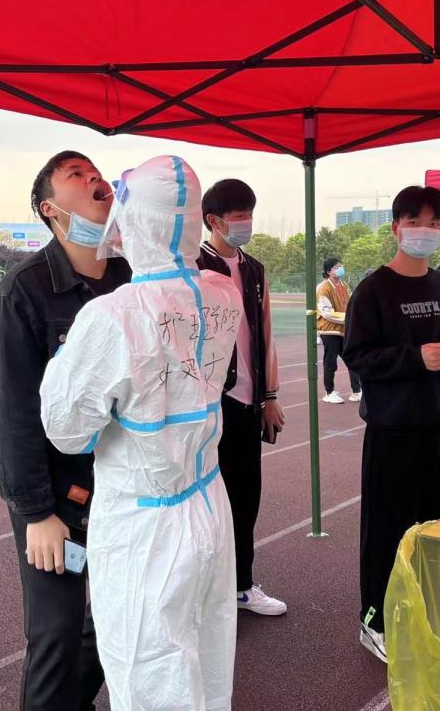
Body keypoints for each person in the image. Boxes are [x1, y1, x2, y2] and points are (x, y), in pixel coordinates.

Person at [41, 155, 241, 711]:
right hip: (208, 499)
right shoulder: (222, 292)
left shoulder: (113, 315)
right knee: (208, 657)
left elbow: (66, 429)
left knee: (148, 672)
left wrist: (66, 364)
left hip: (144, 522)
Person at [0, 151, 123, 711]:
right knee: (56, 635)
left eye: (97, 173)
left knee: (116, 617)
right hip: (56, 494)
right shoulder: (23, 292)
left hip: (124, 484)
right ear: (50, 209)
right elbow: (12, 414)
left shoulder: (131, 278)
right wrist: (37, 513)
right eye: (76, 175)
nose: (95, 180)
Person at [343, 186, 440, 663]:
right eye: (417, 222)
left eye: (436, 224)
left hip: (439, 425)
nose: (427, 231)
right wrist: (414, 357)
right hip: (392, 427)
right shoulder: (373, 290)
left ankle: (417, 609)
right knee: (386, 529)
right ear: (396, 227)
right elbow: (357, 357)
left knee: (428, 526)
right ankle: (375, 619)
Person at [197, 178, 287, 617]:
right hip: (208, 404)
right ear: (213, 221)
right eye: (238, 216)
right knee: (205, 501)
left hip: (249, 402)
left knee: (246, 495)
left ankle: (241, 585)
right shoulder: (193, 266)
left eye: (249, 214)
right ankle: (205, 590)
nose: (246, 223)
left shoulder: (254, 269)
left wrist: (269, 396)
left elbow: (264, 334)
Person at [317, 257, 361, 404]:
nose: (340, 268)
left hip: (344, 329)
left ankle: (357, 391)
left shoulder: (344, 286)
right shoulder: (324, 288)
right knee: (330, 362)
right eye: (336, 267)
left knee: (352, 359)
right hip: (330, 330)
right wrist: (347, 318)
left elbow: (350, 304)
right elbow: (326, 312)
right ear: (329, 271)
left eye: (340, 266)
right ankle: (329, 392)